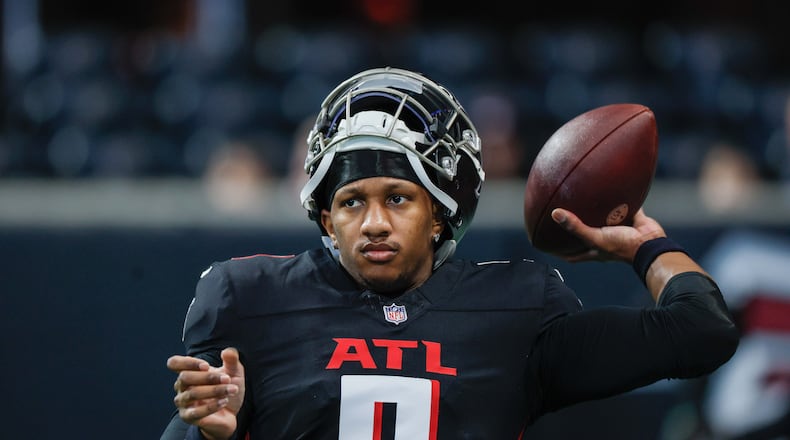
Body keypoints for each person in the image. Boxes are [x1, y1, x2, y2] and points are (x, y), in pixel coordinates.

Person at [161, 67, 739, 440]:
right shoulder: (250, 301)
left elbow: (702, 332)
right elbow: (193, 428)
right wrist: (209, 432)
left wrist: (646, 248)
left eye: (397, 198)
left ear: (440, 211)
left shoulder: (517, 310)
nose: (375, 223)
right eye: (351, 203)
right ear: (326, 220)